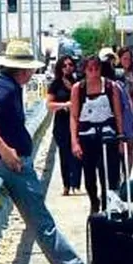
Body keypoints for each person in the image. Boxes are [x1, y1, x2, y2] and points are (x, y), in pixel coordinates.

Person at [0, 39, 114, 264]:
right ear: (23, 70)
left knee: (42, 221)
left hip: (11, 162)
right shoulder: (4, 88)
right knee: (43, 223)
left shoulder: (9, 87)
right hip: (12, 165)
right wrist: (6, 152)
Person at [70, 56, 125, 214]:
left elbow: (118, 113)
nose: (93, 73)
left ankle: (107, 204)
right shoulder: (78, 89)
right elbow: (74, 116)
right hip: (87, 136)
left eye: (96, 69)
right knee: (89, 174)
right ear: (85, 70)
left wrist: (121, 137)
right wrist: (75, 141)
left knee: (107, 171)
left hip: (108, 135)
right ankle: (94, 200)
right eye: (90, 69)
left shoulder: (110, 86)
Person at [47, 55, 82, 196]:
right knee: (64, 154)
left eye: (70, 65)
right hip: (62, 123)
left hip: (77, 122)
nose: (68, 67)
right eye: (65, 65)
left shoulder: (78, 83)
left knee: (78, 153)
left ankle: (76, 182)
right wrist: (64, 105)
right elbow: (49, 104)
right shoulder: (55, 84)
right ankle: (66, 184)